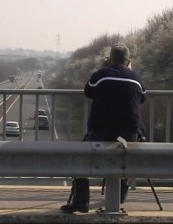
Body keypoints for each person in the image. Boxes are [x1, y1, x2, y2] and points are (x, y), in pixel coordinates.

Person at [61, 44, 146, 213]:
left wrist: (104, 69)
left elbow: (89, 92)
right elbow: (142, 98)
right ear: (128, 61)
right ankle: (120, 196)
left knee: (80, 158)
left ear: (109, 60)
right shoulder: (137, 78)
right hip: (130, 135)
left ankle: (81, 202)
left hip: (101, 132)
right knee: (124, 159)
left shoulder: (101, 76)